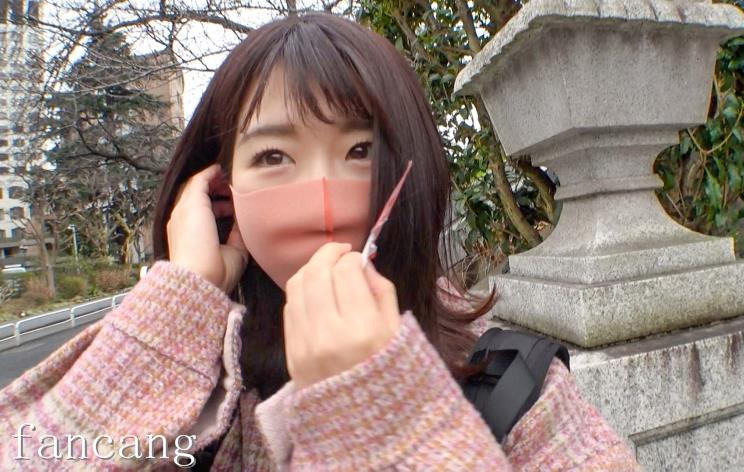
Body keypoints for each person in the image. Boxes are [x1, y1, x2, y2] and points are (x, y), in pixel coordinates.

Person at [0, 12, 641, 471]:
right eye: (273, 156)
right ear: (221, 189)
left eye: (360, 150)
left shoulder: (518, 389)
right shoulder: (194, 385)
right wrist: (181, 298)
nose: (323, 202)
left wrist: (385, 413)